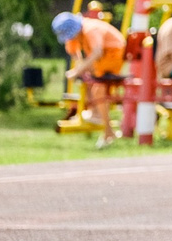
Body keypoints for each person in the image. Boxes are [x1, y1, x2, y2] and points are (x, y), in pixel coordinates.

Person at [53, 9, 127, 148]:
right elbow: (74, 53)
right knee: (89, 82)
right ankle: (97, 116)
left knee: (98, 89)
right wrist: (80, 68)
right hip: (100, 61)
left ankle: (101, 121)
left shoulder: (91, 29)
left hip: (112, 57)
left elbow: (97, 52)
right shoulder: (76, 35)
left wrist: (78, 71)